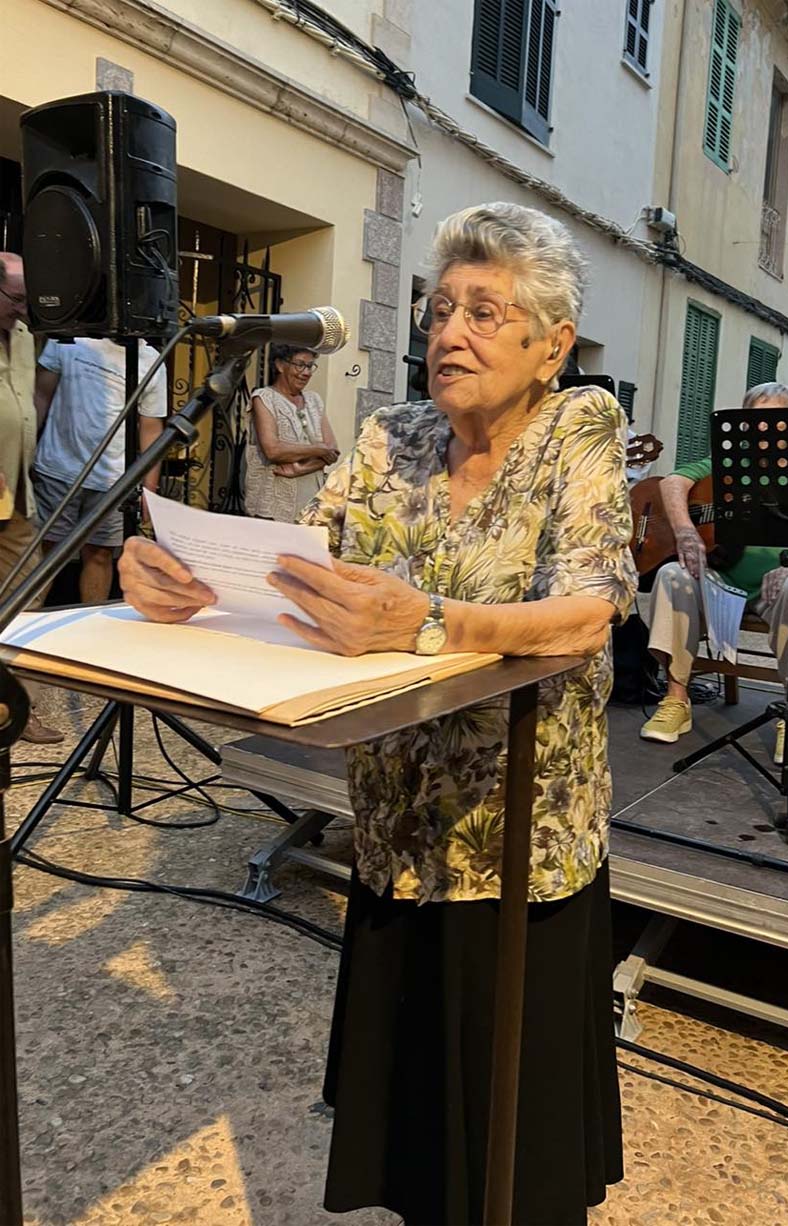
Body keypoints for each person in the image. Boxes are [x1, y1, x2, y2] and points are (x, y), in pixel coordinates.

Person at [118, 201, 638, 1225]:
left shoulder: (578, 427)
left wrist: (428, 620)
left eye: (484, 312)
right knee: (418, 1133)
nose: (449, 332)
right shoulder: (389, 436)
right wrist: (191, 580)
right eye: (439, 309)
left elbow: (588, 609)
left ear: (551, 346)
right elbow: (300, 564)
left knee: (511, 1148)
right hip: (397, 826)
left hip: (519, 840)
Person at [641, 381, 788, 757]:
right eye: (756, 420)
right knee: (671, 575)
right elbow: (673, 482)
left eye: (777, 420)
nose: (765, 429)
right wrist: (685, 531)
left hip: (779, 585)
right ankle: (676, 698)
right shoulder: (729, 462)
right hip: (721, 579)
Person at [33, 336, 167, 604]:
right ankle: (22, 621)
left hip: (112, 479)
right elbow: (39, 397)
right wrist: (23, 455)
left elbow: (151, 428)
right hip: (57, 468)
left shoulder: (150, 360)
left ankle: (91, 621)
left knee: (100, 555)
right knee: (46, 553)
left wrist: (149, 489)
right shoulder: (69, 339)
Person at [0, 252, 63, 743]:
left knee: (28, 594)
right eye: (16, 298)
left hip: (17, 491)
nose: (24, 309)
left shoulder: (23, 336)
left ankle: (14, 708)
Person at [244, 343, 339, 521]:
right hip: (272, 507)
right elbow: (273, 450)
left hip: (311, 506)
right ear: (280, 365)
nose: (306, 372)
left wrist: (299, 469)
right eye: (300, 365)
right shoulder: (264, 398)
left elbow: (333, 451)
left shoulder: (314, 400)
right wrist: (318, 449)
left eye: (310, 366)